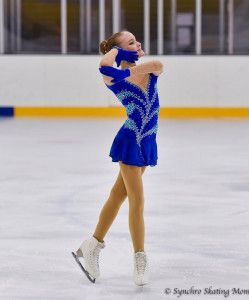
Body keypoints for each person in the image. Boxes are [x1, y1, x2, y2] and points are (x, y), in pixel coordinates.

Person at [72, 31, 163, 286]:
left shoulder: (150, 69)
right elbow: (104, 65)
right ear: (121, 50)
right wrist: (116, 54)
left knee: (118, 195)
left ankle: (91, 245)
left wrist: (123, 60)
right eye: (131, 42)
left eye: (137, 40)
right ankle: (140, 258)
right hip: (130, 141)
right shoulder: (112, 79)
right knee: (137, 199)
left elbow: (157, 65)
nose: (139, 44)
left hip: (147, 140)